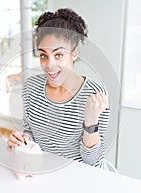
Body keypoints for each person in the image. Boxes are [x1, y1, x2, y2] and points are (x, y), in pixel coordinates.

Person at [7, 8, 110, 169]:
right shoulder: (31, 88)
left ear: (74, 54)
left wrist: (91, 122)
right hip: (44, 171)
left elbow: (92, 161)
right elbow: (30, 133)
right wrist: (22, 141)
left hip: (81, 178)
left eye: (58, 55)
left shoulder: (94, 96)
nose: (49, 65)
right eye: (43, 55)